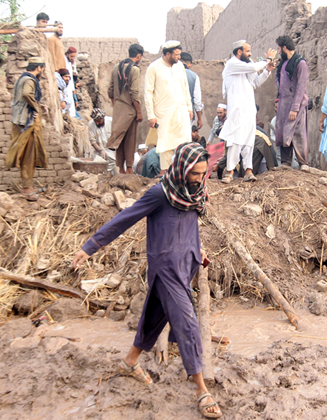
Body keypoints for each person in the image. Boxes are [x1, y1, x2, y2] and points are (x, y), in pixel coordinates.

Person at [72, 143, 222, 419]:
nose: (200, 179)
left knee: (155, 315)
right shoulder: (160, 194)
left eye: (203, 173)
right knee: (188, 323)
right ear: (182, 169)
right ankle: (201, 390)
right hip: (165, 268)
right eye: (195, 173)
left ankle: (130, 362)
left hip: (184, 265)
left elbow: (188, 226)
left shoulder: (194, 193)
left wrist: (196, 249)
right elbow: (124, 219)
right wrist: (89, 247)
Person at [218, 40, 276, 183]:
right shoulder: (232, 64)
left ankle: (248, 171)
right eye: (248, 51)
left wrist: (267, 70)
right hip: (237, 109)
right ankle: (230, 172)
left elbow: (255, 82)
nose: (250, 54)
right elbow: (254, 68)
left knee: (248, 140)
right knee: (234, 140)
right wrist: (267, 60)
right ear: (239, 52)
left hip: (249, 109)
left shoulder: (248, 65)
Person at [144, 41, 193, 177]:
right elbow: (148, 92)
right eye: (176, 55)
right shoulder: (153, 68)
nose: (178, 57)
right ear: (167, 54)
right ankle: (164, 171)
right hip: (163, 111)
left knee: (183, 139)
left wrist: (189, 107)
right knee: (166, 141)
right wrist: (151, 115)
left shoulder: (180, 67)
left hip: (181, 110)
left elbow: (185, 88)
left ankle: (182, 170)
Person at [5, 57, 49, 200]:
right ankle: (26, 188)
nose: (42, 72)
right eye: (43, 69)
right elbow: (26, 94)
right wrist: (35, 107)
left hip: (21, 122)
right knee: (28, 156)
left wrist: (38, 105)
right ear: (39, 68)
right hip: (27, 123)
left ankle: (28, 186)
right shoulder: (30, 80)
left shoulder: (22, 79)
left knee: (28, 155)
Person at [107, 43, 145, 174]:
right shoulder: (134, 69)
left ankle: (120, 168)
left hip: (118, 108)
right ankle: (129, 168)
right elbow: (134, 93)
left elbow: (110, 91)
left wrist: (116, 104)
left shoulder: (116, 67)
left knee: (120, 139)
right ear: (139, 56)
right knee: (130, 139)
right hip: (130, 109)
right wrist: (139, 112)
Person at [274, 35, 310, 169]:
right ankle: (285, 162)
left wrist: (295, 108)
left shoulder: (300, 63)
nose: (278, 52)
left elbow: (301, 87)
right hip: (284, 103)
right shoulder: (283, 64)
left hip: (297, 104)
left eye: (278, 49)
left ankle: (303, 163)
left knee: (298, 132)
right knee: (283, 132)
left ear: (284, 48)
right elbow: (280, 84)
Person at [88, 108, 116, 174]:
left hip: (112, 151)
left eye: (99, 121)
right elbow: (93, 141)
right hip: (99, 151)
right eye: (95, 121)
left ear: (103, 118)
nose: (97, 123)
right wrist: (101, 150)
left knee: (115, 167)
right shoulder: (91, 124)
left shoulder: (111, 121)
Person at [181, 52, 204, 130]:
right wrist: (199, 119)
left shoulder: (170, 73)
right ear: (190, 64)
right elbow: (197, 100)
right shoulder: (194, 76)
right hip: (187, 115)